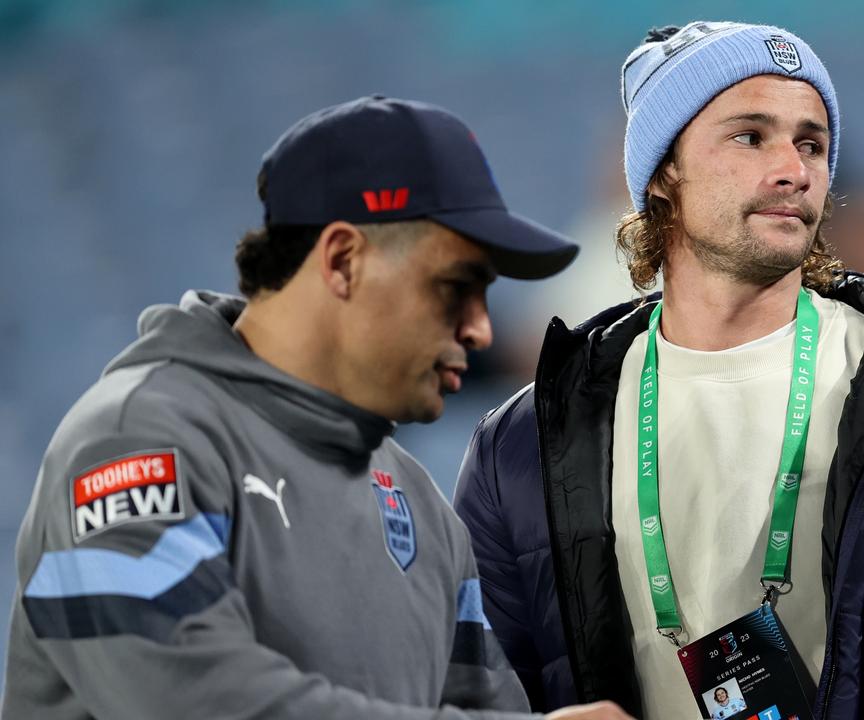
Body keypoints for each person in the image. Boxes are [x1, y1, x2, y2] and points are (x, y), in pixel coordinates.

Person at [454, 21, 864, 719]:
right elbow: (469, 697)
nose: (793, 168)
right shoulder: (525, 442)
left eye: (811, 143)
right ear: (662, 173)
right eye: (750, 137)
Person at [2, 96, 630, 720]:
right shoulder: (136, 442)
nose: (479, 330)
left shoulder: (419, 504)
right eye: (454, 286)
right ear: (341, 261)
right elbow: (189, 702)